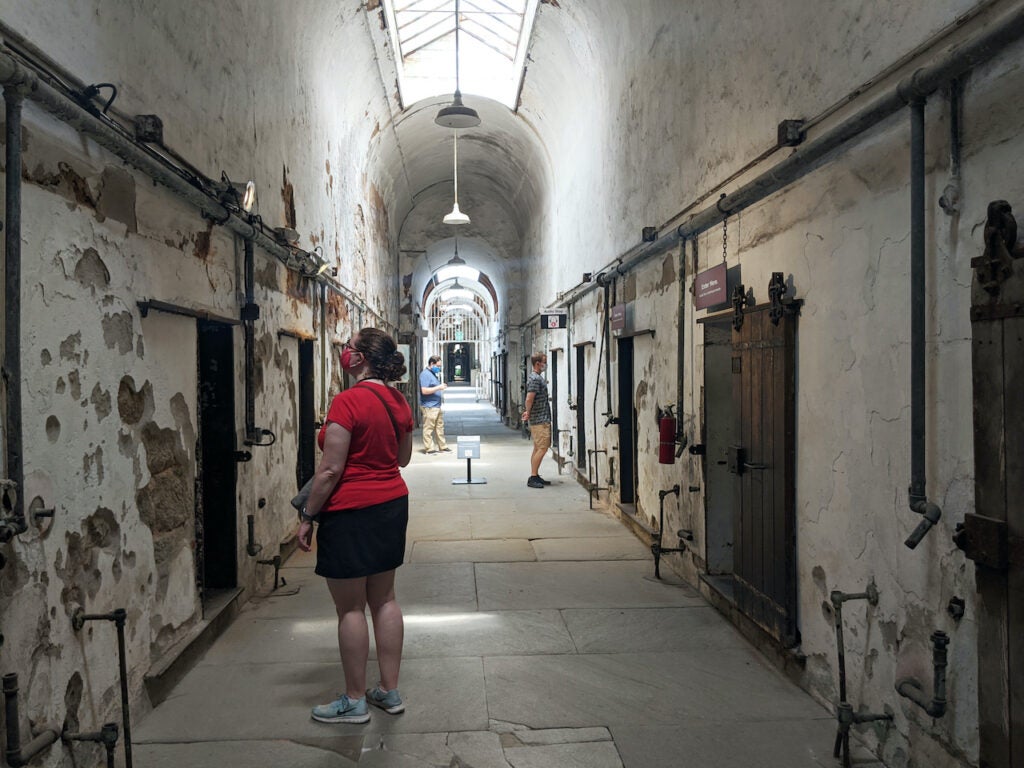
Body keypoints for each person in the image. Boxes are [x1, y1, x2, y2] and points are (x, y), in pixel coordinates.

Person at [296, 327, 414, 724]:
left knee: (350, 608)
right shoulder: (398, 401)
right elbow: (402, 459)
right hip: (392, 504)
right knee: (385, 599)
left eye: (348, 347)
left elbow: (330, 470)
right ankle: (389, 691)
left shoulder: (346, 402)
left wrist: (308, 515)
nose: (344, 352)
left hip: (351, 510)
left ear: (360, 357)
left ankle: (354, 699)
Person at [521, 351, 552, 488]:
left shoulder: (536, 378)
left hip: (540, 417)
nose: (546, 364)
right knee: (543, 448)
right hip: (540, 419)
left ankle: (535, 475)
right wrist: (528, 412)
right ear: (538, 363)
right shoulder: (535, 379)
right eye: (544, 362)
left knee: (537, 448)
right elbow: (529, 398)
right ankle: (533, 477)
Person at [418, 355, 450, 454]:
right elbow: (424, 391)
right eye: (438, 366)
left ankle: (442, 446)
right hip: (429, 406)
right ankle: (429, 448)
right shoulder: (425, 375)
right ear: (432, 364)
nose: (439, 368)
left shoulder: (432, 374)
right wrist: (439, 387)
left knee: (439, 427)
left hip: (436, 406)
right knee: (428, 428)